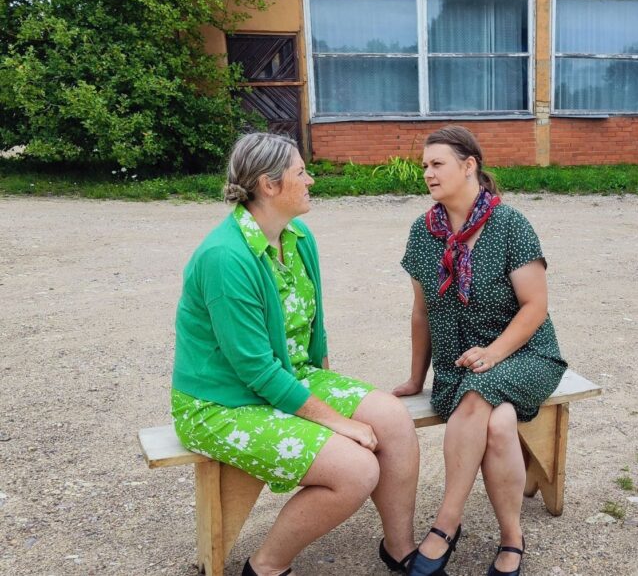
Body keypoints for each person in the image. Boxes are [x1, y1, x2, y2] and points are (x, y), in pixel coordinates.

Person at [171, 132, 420, 576]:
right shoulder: (225, 257)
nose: (311, 181)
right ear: (268, 185)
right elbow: (255, 370)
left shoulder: (299, 237)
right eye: (301, 172)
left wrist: (334, 389)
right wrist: (337, 421)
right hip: (222, 403)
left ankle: (400, 551)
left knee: (393, 419)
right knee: (356, 470)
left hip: (291, 375)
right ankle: (265, 567)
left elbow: (314, 329)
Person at [394, 125, 567, 576]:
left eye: (438, 164)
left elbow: (535, 306)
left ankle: (445, 524)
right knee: (500, 421)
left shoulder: (510, 225)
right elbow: (421, 312)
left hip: (526, 355)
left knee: (478, 394)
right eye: (425, 165)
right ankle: (512, 538)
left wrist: (493, 353)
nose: (428, 174)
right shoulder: (422, 232)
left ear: (469, 166)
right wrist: (416, 378)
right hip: (460, 367)